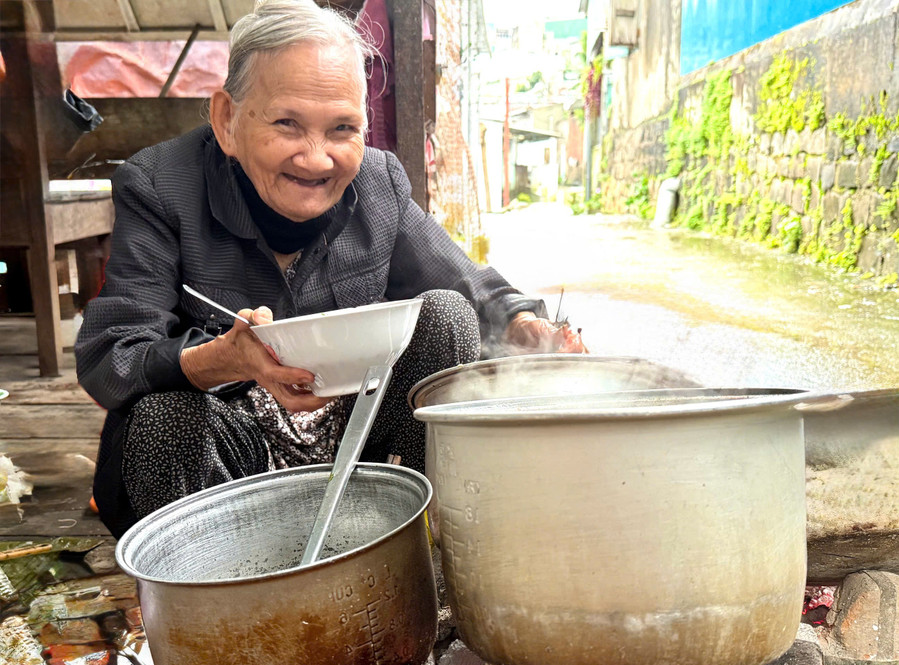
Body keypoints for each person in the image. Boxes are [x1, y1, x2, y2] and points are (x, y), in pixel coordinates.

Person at [75, 0, 567, 539]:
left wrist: (525, 324)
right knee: (163, 422)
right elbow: (110, 355)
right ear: (228, 120)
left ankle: (410, 532)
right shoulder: (160, 185)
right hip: (231, 449)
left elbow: (464, 283)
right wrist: (228, 359)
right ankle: (219, 583)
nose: (316, 158)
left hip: (354, 439)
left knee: (446, 316)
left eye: (341, 128)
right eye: (287, 123)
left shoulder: (378, 183)